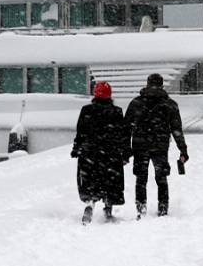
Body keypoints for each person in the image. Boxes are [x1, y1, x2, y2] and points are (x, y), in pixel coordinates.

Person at [125, 73, 188, 218]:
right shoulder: (169, 104)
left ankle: (141, 208)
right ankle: (163, 207)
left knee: (141, 179)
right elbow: (176, 129)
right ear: (161, 85)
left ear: (147, 84)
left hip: (140, 145)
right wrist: (183, 150)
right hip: (160, 145)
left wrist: (126, 149)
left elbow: (126, 128)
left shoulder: (136, 103)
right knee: (161, 178)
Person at [71, 81, 130, 224]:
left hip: (89, 153)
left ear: (95, 94)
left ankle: (90, 203)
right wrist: (125, 153)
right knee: (110, 181)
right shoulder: (116, 112)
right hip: (110, 154)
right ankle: (108, 208)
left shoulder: (86, 110)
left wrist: (76, 148)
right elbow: (123, 134)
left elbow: (81, 132)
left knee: (91, 181)